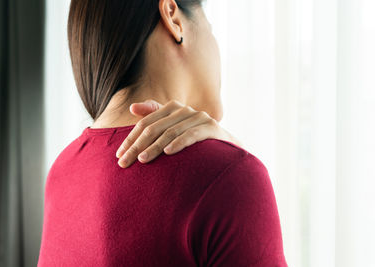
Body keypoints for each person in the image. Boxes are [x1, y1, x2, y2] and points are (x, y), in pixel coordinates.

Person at [37, 0, 288, 266]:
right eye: (210, 28)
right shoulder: (229, 176)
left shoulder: (63, 171)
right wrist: (237, 160)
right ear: (173, 17)